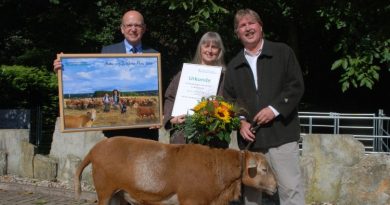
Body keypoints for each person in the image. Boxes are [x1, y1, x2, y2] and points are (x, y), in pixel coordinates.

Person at [223, 9, 305, 205]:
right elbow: (229, 101)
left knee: (291, 190)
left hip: (282, 135)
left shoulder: (282, 52)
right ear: (237, 32)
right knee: (251, 195)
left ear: (260, 26)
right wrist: (240, 123)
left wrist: (274, 109)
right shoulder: (234, 66)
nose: (248, 28)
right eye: (242, 25)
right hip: (252, 142)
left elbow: (295, 86)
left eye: (251, 23)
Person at [53, 10, 159, 141]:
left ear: (144, 28)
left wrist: (159, 117)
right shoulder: (108, 51)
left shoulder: (154, 55)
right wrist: (64, 68)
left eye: (137, 25)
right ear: (122, 29)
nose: (133, 29)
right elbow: (92, 76)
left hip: (146, 133)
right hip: (115, 135)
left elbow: (161, 87)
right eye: (129, 25)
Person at [162, 31, 226, 145]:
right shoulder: (185, 73)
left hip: (212, 139)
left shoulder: (225, 78)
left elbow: (230, 104)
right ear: (200, 48)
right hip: (182, 137)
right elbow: (170, 97)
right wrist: (171, 119)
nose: (210, 50)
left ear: (219, 51)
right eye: (206, 46)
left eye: (214, 47)